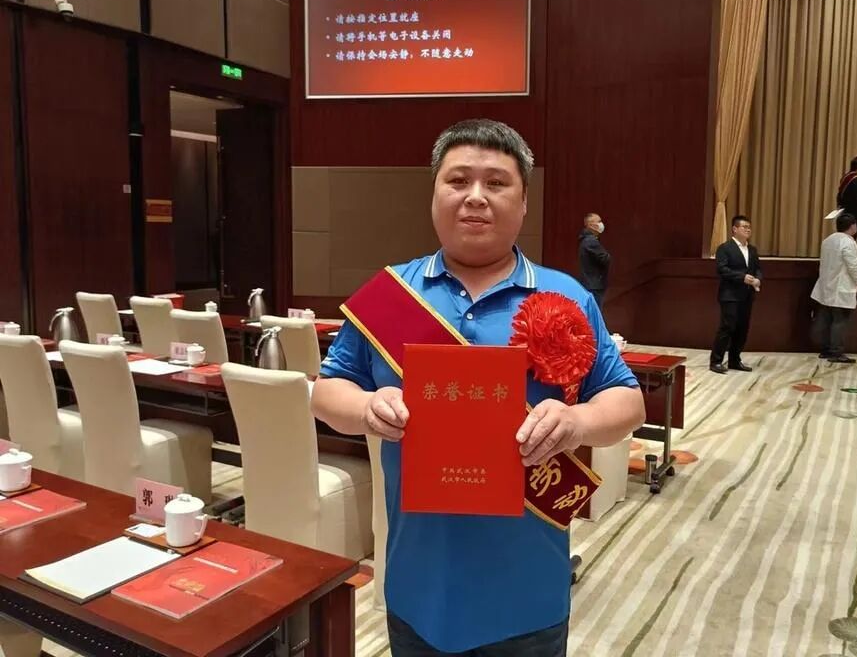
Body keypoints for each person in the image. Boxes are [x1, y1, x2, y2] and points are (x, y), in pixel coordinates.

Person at [311, 118, 645, 656]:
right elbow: (328, 392)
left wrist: (577, 421)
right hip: (418, 584)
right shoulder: (389, 293)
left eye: (496, 183)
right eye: (458, 180)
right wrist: (367, 406)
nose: (475, 197)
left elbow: (627, 400)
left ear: (524, 202)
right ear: (434, 194)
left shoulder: (567, 296)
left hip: (526, 592)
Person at [710, 215, 761, 374]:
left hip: (747, 295)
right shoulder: (725, 248)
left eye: (749, 227)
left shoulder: (752, 250)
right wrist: (742, 277)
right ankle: (716, 361)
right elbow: (722, 270)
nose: (748, 230)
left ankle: (734, 360)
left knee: (742, 328)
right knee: (727, 327)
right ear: (734, 229)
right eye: (744, 227)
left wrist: (758, 279)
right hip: (730, 295)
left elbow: (758, 268)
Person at [811, 211, 857, 363]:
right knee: (840, 321)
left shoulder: (828, 240)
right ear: (853, 226)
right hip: (841, 286)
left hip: (826, 285)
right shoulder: (848, 243)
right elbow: (853, 266)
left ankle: (826, 349)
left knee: (826, 319)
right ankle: (836, 351)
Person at [578, 213, 611, 307]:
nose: (601, 224)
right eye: (599, 221)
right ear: (591, 225)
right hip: (594, 285)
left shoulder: (586, 240)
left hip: (591, 283)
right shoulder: (591, 241)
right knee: (595, 311)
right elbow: (606, 258)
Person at [837, 156, 857, 234]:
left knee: (843, 235)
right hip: (854, 214)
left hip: (844, 211)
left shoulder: (846, 177)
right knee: (851, 236)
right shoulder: (856, 179)